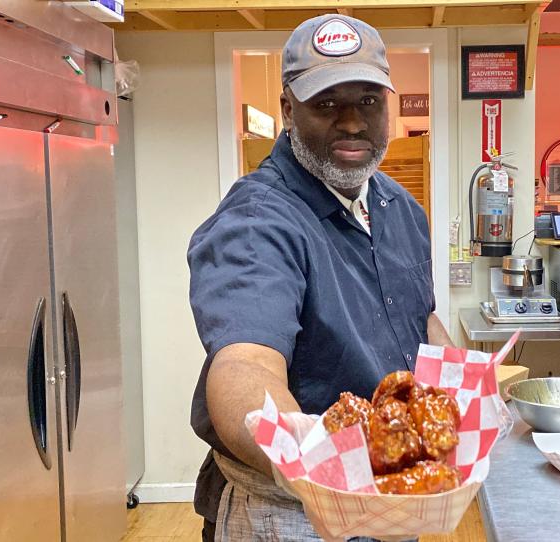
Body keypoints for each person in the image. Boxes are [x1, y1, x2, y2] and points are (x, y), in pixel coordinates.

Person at [187, 14, 453, 541]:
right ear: (288, 109)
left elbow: (419, 321)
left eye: (369, 101)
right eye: (327, 104)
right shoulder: (257, 222)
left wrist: (464, 403)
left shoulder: (397, 207)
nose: (353, 122)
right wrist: (320, 469)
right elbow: (244, 365)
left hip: (392, 494)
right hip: (295, 510)